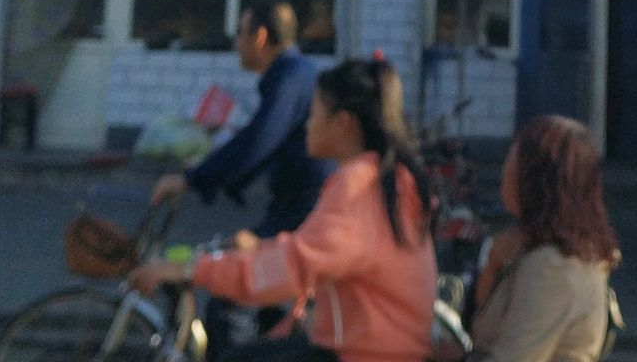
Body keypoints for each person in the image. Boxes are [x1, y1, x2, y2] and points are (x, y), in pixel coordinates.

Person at [131, 57, 438, 362]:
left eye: (314, 114)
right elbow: (317, 257)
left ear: (343, 123)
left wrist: (189, 269)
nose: (307, 125)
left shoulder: (357, 185)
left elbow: (290, 269)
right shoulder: (392, 178)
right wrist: (261, 248)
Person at [152, 2, 332, 337]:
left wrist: (191, 179)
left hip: (301, 213)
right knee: (268, 313)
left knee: (233, 301)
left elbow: (258, 140)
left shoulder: (289, 78)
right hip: (296, 208)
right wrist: (212, 176)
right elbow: (266, 144)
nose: (236, 44)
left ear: (260, 37)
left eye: (240, 34)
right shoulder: (296, 73)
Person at [468, 116, 619, 362]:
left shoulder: (553, 266)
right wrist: (495, 264)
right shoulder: (538, 247)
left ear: (537, 179)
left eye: (513, 159)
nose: (505, 170)